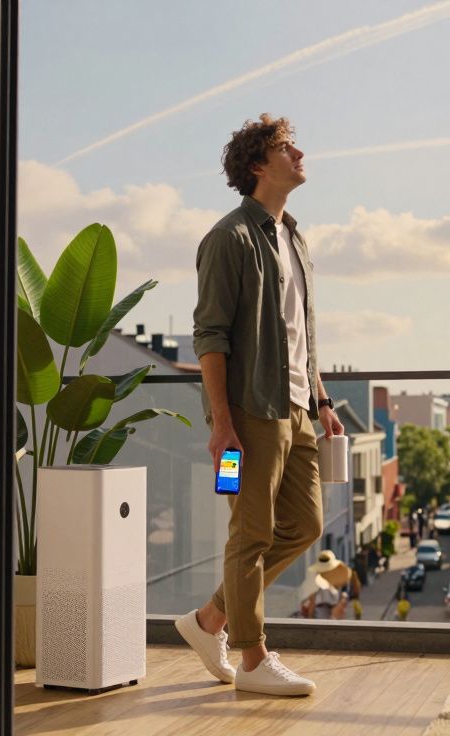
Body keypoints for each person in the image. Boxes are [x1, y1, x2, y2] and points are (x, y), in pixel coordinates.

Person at [173, 114, 344, 697]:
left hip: (297, 408)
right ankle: (253, 661)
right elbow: (210, 337)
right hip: (250, 410)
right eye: (284, 148)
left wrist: (320, 399)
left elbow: (301, 332)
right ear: (257, 166)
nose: (299, 153)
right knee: (251, 533)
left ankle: (209, 621)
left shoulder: (293, 237)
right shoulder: (229, 238)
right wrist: (222, 422)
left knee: (306, 524)